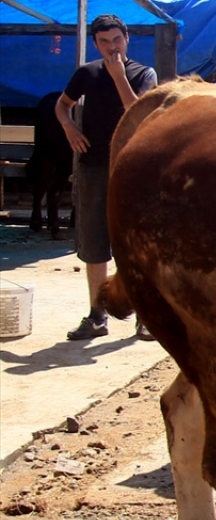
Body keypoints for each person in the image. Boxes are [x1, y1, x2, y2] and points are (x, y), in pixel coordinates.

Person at [58, 14, 156, 341]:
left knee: (134, 243)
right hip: (94, 167)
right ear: (96, 44)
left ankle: (145, 316)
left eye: (116, 40)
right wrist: (69, 126)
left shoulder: (143, 73)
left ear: (127, 39)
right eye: (104, 42)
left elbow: (138, 113)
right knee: (94, 241)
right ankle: (97, 315)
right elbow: (62, 105)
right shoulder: (86, 73)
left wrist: (119, 77)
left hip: (131, 168)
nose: (112, 47)